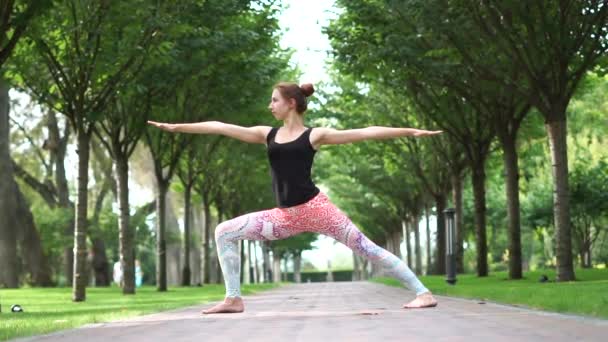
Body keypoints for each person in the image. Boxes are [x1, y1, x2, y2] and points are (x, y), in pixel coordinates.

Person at [147, 82, 442, 314]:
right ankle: (233, 299)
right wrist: (176, 127)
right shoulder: (267, 134)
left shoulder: (315, 135)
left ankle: (423, 293)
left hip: (317, 211)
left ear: (291, 103)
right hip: (284, 217)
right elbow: (219, 126)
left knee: (368, 248)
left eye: (274, 100)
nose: (269, 105)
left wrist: (410, 131)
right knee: (224, 231)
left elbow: (365, 132)